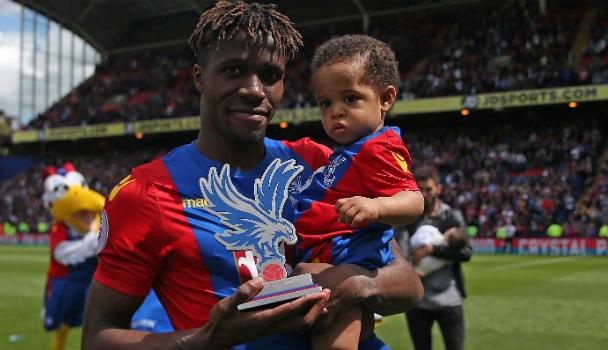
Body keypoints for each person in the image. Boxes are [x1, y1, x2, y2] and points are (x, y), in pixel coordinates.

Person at [82, 2, 423, 349]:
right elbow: (96, 339)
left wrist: (355, 283)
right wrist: (208, 338)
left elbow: (408, 283)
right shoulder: (145, 193)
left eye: (270, 76)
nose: (254, 90)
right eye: (233, 70)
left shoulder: (319, 163)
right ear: (200, 77)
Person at [290, 34, 424, 350]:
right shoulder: (350, 149)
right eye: (326, 103)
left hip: (348, 256)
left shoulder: (378, 147)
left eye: (350, 99)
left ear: (386, 98)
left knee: (331, 338)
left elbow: (414, 200)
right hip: (331, 257)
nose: (336, 111)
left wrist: (376, 207)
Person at [400, 166, 472, 350]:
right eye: (420, 189)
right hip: (418, 300)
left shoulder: (452, 216)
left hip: (449, 298)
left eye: (429, 189)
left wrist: (431, 249)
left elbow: (465, 252)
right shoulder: (408, 217)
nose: (424, 194)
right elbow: (401, 252)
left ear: (438, 189)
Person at [42, 164, 105, 350]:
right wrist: (93, 241)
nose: (86, 216)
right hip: (65, 281)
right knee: (62, 325)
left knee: (97, 324)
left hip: (93, 281)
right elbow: (62, 253)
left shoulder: (99, 220)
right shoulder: (59, 227)